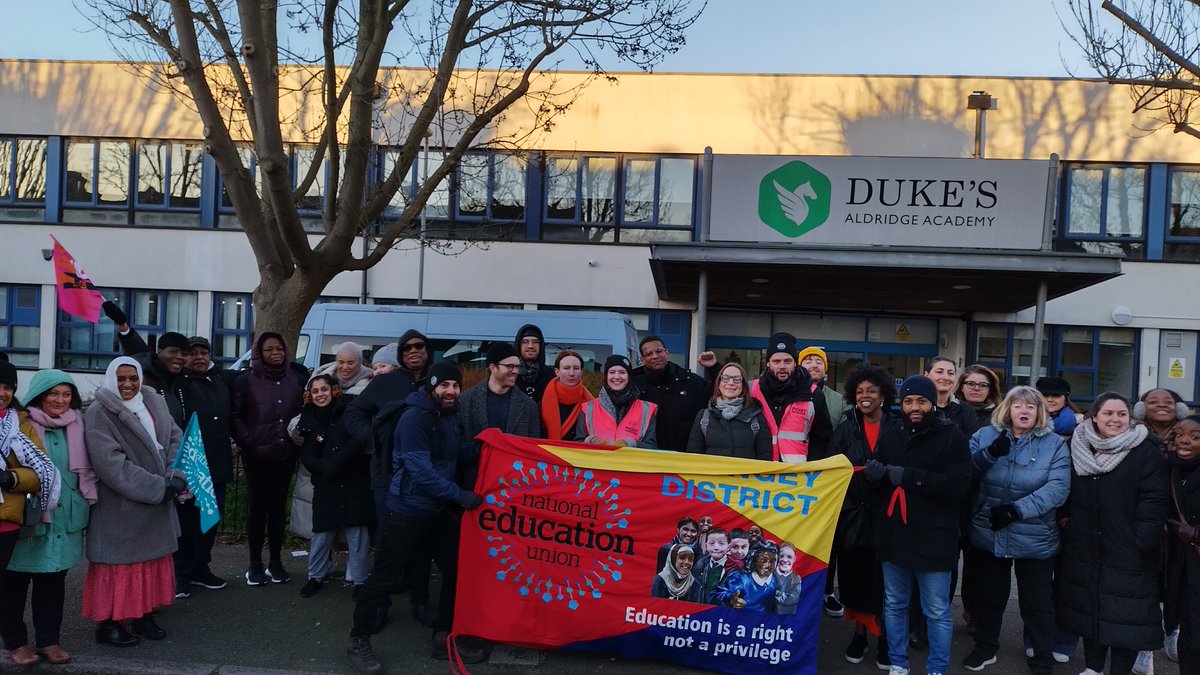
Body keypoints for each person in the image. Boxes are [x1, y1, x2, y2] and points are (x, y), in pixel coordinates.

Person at [346, 362, 486, 673]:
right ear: (431, 387)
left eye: (455, 386)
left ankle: (444, 636)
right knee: (384, 577)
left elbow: (453, 456)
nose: (450, 391)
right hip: (406, 511)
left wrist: (482, 445)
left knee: (457, 570)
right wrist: (460, 496)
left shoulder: (447, 416)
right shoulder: (414, 418)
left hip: (436, 512)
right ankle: (358, 639)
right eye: (444, 385)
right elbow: (420, 471)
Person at [866, 375, 971, 675]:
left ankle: (937, 667)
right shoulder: (890, 436)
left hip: (934, 540)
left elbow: (959, 486)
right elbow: (880, 478)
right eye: (909, 401)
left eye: (921, 401)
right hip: (894, 537)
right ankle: (898, 663)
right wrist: (872, 478)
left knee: (936, 611)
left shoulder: (953, 438)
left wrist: (909, 477)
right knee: (895, 604)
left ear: (932, 404)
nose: (914, 407)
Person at [1057, 392, 1168, 675]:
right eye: (1108, 413)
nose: (1115, 420)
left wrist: (1141, 540)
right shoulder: (1077, 446)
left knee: (1127, 615)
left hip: (1129, 547)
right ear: (1094, 416)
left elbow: (1154, 499)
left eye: (1121, 414)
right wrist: (1066, 521)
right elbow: (1065, 489)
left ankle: (1120, 670)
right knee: (1089, 607)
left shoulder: (1145, 449)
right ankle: (1093, 667)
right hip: (1085, 544)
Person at [961, 386, 1070, 674]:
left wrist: (1015, 510)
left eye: (1031, 407)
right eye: (1018, 405)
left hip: (1035, 534)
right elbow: (964, 475)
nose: (1024, 411)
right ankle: (985, 646)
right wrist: (989, 455)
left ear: (1040, 412)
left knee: (1037, 600)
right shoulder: (984, 436)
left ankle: (1042, 654)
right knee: (990, 596)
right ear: (1007, 408)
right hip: (989, 531)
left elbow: (1058, 489)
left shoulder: (1055, 444)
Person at [83, 357, 187, 647]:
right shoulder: (99, 413)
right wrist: (159, 487)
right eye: (120, 378)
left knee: (149, 563)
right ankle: (108, 624)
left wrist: (174, 474)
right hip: (121, 507)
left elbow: (175, 438)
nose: (127, 384)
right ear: (110, 379)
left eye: (133, 378)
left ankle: (142, 615)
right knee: (119, 567)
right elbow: (112, 465)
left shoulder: (154, 403)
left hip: (157, 500)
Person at [339, 329, 433, 624]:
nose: (414, 351)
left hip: (426, 479)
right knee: (387, 543)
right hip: (388, 477)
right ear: (401, 355)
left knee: (421, 546)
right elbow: (353, 412)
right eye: (407, 348)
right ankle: (379, 605)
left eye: (419, 346)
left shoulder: (438, 381)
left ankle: (420, 601)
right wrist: (373, 439)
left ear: (427, 350)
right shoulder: (385, 383)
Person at [1, 370, 92, 666]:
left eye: (66, 394)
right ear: (39, 395)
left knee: (53, 583)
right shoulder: (19, 423)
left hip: (64, 520)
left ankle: (48, 641)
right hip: (28, 518)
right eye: (53, 393)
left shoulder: (79, 424)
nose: (60, 400)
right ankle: (15, 642)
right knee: (13, 583)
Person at [828, 364, 903, 668]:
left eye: (872, 390)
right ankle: (859, 636)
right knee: (855, 580)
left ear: (883, 394)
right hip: (854, 517)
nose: (865, 396)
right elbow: (832, 468)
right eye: (860, 391)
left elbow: (904, 466)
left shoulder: (897, 426)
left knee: (887, 583)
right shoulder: (846, 428)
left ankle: (886, 640)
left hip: (889, 516)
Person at [232, 332, 307, 586]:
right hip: (256, 456)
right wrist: (249, 440)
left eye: (279, 348)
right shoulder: (245, 381)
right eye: (269, 349)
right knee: (256, 510)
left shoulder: (296, 378)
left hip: (285, 455)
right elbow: (236, 416)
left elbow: (304, 411)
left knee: (277, 509)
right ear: (259, 353)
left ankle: (276, 562)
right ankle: (255, 563)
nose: (276, 353)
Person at [296, 375, 373, 599]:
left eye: (324, 389)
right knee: (321, 533)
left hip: (353, 480)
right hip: (326, 482)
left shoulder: (349, 410)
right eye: (315, 390)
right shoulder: (307, 417)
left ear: (334, 390)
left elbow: (359, 439)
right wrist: (325, 468)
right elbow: (307, 453)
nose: (320, 394)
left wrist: (336, 462)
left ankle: (360, 580)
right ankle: (315, 576)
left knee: (357, 532)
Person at [173, 335, 234, 597]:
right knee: (187, 524)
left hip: (217, 462)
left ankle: (201, 569)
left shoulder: (220, 380)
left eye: (204, 353)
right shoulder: (178, 383)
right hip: (190, 464)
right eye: (193, 353)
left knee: (211, 520)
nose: (199, 357)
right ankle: (182, 574)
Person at [293, 342, 373, 540]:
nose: (345, 367)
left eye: (351, 362)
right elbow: (304, 413)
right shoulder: (320, 380)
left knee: (351, 519)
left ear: (360, 362)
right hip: (320, 458)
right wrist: (295, 429)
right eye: (341, 362)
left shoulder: (368, 385)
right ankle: (322, 564)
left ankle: (349, 567)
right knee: (321, 519)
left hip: (352, 459)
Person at [748, 332, 832, 462]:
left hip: (797, 476)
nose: (782, 366)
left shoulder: (813, 394)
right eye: (776, 361)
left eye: (787, 361)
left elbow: (822, 439)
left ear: (795, 363)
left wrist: (811, 470)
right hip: (758, 474)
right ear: (768, 363)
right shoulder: (751, 390)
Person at [630, 336, 710, 452]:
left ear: (667, 353)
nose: (655, 356)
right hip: (646, 456)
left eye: (659, 351)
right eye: (648, 354)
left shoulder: (690, 381)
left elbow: (718, 394)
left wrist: (713, 368)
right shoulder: (634, 385)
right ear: (642, 360)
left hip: (683, 456)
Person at [1164, 415, 1200, 674]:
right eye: (1179, 435)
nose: (1184, 440)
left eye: (1195, 437)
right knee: (1189, 631)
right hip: (1184, 566)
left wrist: (1196, 532)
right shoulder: (1172, 468)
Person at [685, 362, 771, 460]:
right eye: (725, 378)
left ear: (743, 384)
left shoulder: (756, 417)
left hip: (744, 475)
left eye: (737, 379)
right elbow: (694, 459)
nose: (730, 383)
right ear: (719, 382)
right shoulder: (703, 417)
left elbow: (765, 459)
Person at [577, 355, 658, 448]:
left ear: (629, 377)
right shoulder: (587, 409)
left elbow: (652, 447)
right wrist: (590, 441)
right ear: (606, 376)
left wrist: (632, 444)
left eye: (622, 372)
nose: (617, 376)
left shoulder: (647, 409)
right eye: (612, 372)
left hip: (630, 462)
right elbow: (578, 442)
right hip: (596, 462)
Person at [540, 350, 593, 442]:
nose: (571, 373)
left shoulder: (592, 406)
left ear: (581, 372)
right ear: (557, 372)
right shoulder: (540, 406)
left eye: (576, 368)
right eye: (566, 368)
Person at [714, 544, 779, 612]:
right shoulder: (740, 579)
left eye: (772, 561)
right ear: (754, 560)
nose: (768, 565)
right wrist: (730, 599)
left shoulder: (777, 583)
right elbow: (716, 594)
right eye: (763, 560)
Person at [798, 346, 849, 429]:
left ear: (825, 369)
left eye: (819, 362)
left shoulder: (840, 401)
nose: (814, 365)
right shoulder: (789, 395)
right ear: (799, 367)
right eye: (808, 362)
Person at [925, 356, 976, 435]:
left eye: (950, 373)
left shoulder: (966, 410)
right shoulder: (918, 407)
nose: (946, 377)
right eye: (939, 372)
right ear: (926, 375)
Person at [513, 324, 554, 403]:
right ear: (518, 345)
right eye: (525, 342)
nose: (530, 346)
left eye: (535, 342)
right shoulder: (510, 375)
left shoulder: (551, 376)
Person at [956, 364, 1003, 431]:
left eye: (983, 385)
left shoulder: (1000, 417)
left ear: (989, 390)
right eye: (971, 384)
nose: (976, 388)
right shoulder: (949, 412)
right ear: (961, 387)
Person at [693, 527, 734, 601]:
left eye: (721, 543)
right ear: (706, 546)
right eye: (711, 543)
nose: (716, 548)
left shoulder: (735, 569)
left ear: (728, 547)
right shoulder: (699, 565)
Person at [1036, 376, 1082, 440]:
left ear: (1065, 400)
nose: (1049, 399)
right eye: (1045, 395)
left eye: (1056, 395)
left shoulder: (1081, 426)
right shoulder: (1026, 422)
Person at [774, 542, 802, 616]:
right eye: (781, 556)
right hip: (771, 616)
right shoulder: (771, 574)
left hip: (788, 617)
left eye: (789, 557)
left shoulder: (796, 578)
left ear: (794, 558)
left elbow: (793, 598)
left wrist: (776, 594)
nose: (785, 560)